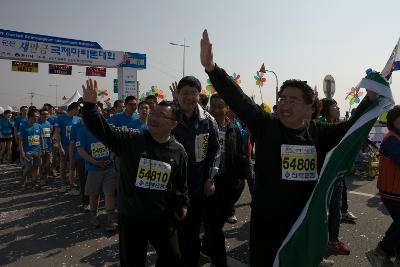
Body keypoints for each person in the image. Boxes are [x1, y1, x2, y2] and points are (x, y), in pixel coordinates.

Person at [200, 29, 378, 266]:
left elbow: (353, 127)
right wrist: (212, 69)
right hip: (267, 224)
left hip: (303, 223)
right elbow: (238, 98)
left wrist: (370, 99)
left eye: (292, 100)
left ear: (309, 108)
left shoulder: (319, 133)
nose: (284, 104)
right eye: (282, 98)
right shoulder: (266, 126)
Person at [81, 79, 189, 267]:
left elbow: (181, 183)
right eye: (153, 112)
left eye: (160, 114)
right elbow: (101, 129)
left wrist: (184, 203)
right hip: (132, 218)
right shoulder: (131, 139)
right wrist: (90, 106)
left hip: (162, 217)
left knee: (173, 257)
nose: (153, 117)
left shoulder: (178, 151)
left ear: (173, 123)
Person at [170, 75, 220, 267]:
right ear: (178, 95)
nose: (189, 97)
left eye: (193, 93)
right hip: (172, 186)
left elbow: (215, 151)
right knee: (173, 227)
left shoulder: (208, 121)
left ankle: (192, 257)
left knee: (192, 228)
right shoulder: (170, 116)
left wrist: (210, 178)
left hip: (198, 186)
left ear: (199, 95)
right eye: (185, 93)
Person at [202, 93, 250, 266]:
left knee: (217, 222)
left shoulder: (233, 128)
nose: (216, 109)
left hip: (226, 182)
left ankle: (206, 249)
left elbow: (239, 154)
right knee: (213, 224)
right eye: (213, 106)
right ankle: (219, 259)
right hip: (208, 182)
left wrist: (240, 176)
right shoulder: (203, 126)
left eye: (220, 106)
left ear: (227, 108)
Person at [368, 106, 400, 265]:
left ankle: (392, 251)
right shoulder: (391, 139)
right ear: (393, 121)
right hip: (391, 190)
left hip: (396, 189)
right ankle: (381, 250)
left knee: (398, 223)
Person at [76, 120, 116, 230]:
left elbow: (114, 144)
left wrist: (110, 158)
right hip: (93, 168)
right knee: (94, 194)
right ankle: (93, 216)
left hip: (109, 167)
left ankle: (111, 219)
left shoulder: (106, 128)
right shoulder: (83, 130)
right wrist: (95, 162)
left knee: (110, 193)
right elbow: (80, 150)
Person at [54, 102, 80, 193]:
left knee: (72, 166)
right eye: (78, 109)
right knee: (63, 166)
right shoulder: (60, 118)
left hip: (74, 147)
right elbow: (57, 134)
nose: (78, 111)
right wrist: (60, 147)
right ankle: (63, 184)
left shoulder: (78, 119)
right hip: (64, 146)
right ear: (73, 109)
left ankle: (72, 184)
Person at [18, 108, 43, 190]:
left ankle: (34, 183)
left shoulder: (39, 126)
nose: (38, 118)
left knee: (36, 167)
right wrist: (22, 152)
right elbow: (20, 140)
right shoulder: (23, 126)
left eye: (38, 116)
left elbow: (40, 138)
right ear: (31, 117)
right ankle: (23, 182)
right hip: (27, 151)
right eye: (37, 116)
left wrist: (42, 149)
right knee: (28, 167)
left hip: (37, 151)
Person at [38, 109, 53, 185]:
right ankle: (41, 178)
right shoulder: (37, 124)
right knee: (41, 164)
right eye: (44, 114)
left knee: (49, 162)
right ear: (40, 115)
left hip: (48, 146)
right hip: (40, 147)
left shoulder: (49, 123)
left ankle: (45, 174)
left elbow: (50, 135)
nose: (45, 115)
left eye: (47, 114)